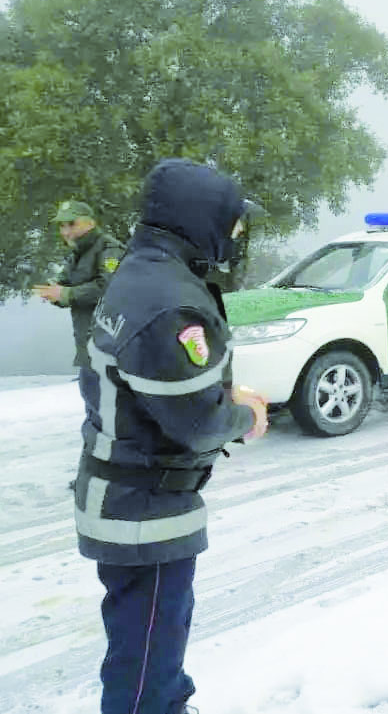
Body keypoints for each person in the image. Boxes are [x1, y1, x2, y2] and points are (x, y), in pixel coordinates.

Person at [73, 159, 269, 714]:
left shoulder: (143, 271)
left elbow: (155, 390)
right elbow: (198, 425)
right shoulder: (171, 303)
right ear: (200, 219)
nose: (236, 235)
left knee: (153, 642)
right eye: (233, 223)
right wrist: (245, 415)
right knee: (145, 668)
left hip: (130, 498)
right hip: (144, 511)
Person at [32, 200, 126, 369]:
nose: (65, 231)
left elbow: (109, 289)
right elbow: (64, 286)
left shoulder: (109, 249)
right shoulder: (77, 254)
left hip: (111, 351)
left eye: (71, 224)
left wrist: (66, 293)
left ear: (90, 223)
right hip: (88, 350)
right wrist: (50, 289)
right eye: (62, 226)